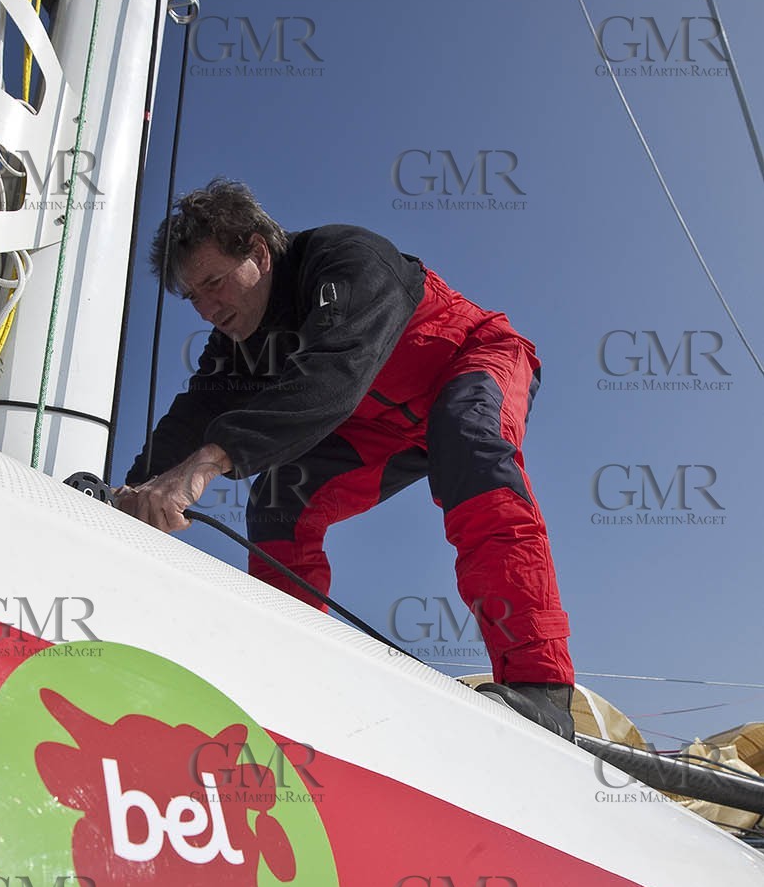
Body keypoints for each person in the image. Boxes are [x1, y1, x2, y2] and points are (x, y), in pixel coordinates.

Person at [118, 179, 576, 740]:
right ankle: (290, 668)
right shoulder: (236, 342)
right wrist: (127, 496)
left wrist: (207, 464)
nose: (208, 310)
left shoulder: (347, 259)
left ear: (259, 251)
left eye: (214, 283)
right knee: (280, 497)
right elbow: (192, 414)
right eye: (194, 297)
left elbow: (333, 378)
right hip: (380, 424)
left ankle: (540, 686)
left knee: (469, 446)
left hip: (471, 361)